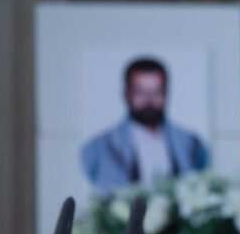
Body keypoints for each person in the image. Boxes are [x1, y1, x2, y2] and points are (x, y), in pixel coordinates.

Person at [81, 57, 208, 194]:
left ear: (166, 94)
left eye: (156, 92)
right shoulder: (100, 146)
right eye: (140, 92)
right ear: (126, 94)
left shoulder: (191, 143)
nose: (149, 100)